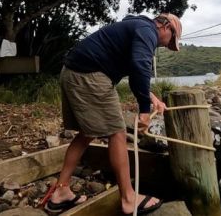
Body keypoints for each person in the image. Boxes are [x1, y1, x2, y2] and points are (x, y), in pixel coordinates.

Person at [45, 13, 182, 215]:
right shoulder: (148, 31)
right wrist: (144, 109)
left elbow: (134, 70)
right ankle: (128, 198)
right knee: (117, 132)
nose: (166, 45)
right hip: (89, 75)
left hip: (73, 72)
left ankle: (61, 192)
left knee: (87, 132)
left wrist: (151, 97)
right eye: (171, 39)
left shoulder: (136, 27)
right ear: (165, 26)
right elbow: (140, 65)